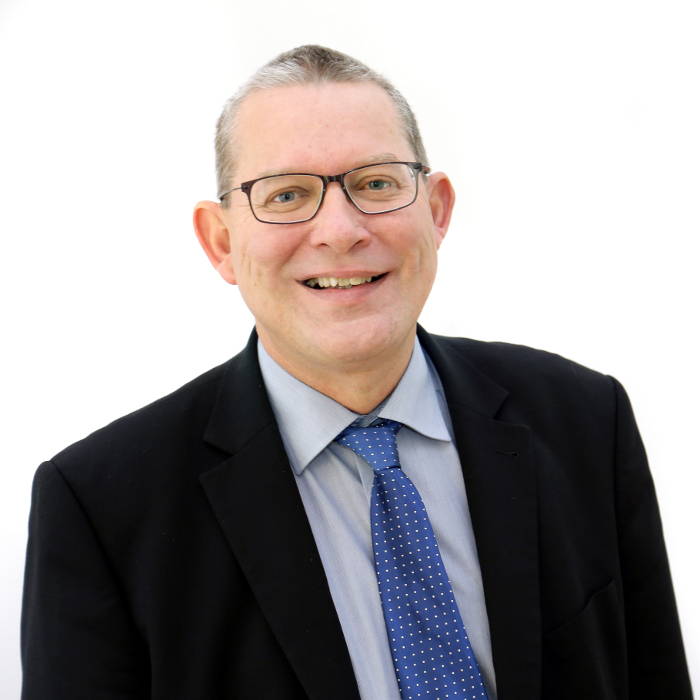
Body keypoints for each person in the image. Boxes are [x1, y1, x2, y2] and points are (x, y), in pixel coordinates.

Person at [21, 45, 692, 700]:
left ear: (436, 210)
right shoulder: (102, 507)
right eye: (287, 195)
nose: (340, 231)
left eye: (376, 183)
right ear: (220, 242)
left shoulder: (585, 420)